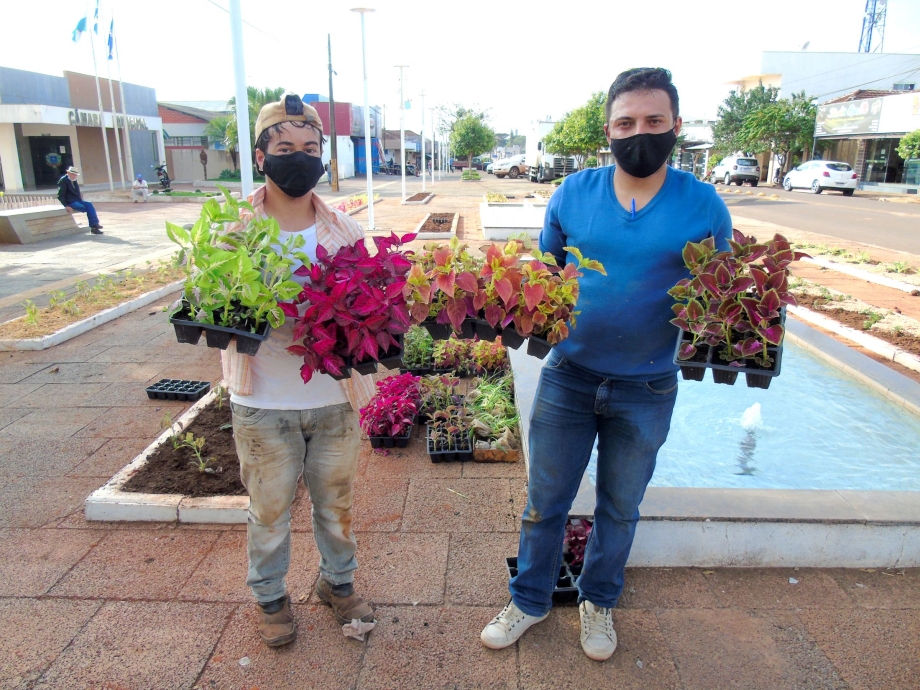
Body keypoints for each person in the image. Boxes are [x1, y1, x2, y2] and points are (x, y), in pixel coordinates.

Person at [480, 68, 732, 661]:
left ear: (676, 126)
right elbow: (543, 274)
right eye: (626, 123)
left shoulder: (702, 202)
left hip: (648, 384)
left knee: (620, 506)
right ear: (608, 129)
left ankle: (598, 601)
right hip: (570, 376)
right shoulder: (574, 192)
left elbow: (724, 289)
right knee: (546, 500)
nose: (638, 133)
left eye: (653, 122)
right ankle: (530, 599)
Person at [221, 94, 377, 648]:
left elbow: (372, 305)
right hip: (262, 400)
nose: (299, 158)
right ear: (261, 156)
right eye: (284, 148)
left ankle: (337, 585)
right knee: (268, 510)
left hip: (334, 398)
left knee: (336, 506)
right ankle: (270, 595)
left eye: (310, 149)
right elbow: (209, 305)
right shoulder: (234, 232)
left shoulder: (345, 230)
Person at [57, 166, 103, 234]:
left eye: (75, 175)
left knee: (89, 204)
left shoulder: (74, 180)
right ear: (68, 173)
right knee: (85, 208)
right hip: (70, 201)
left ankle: (94, 225)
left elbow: (76, 191)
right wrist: (66, 205)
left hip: (77, 200)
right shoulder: (64, 180)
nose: (74, 176)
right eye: (72, 174)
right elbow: (60, 195)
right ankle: (93, 225)